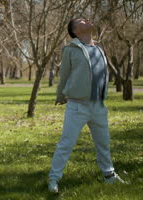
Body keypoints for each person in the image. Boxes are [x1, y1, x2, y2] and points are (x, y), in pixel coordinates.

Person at [48, 18, 126, 193]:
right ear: (75, 31)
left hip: (98, 105)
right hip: (77, 106)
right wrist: (60, 95)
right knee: (66, 144)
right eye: (81, 21)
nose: (87, 20)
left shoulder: (99, 48)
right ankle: (53, 179)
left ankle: (109, 176)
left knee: (103, 142)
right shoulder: (70, 49)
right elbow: (65, 75)